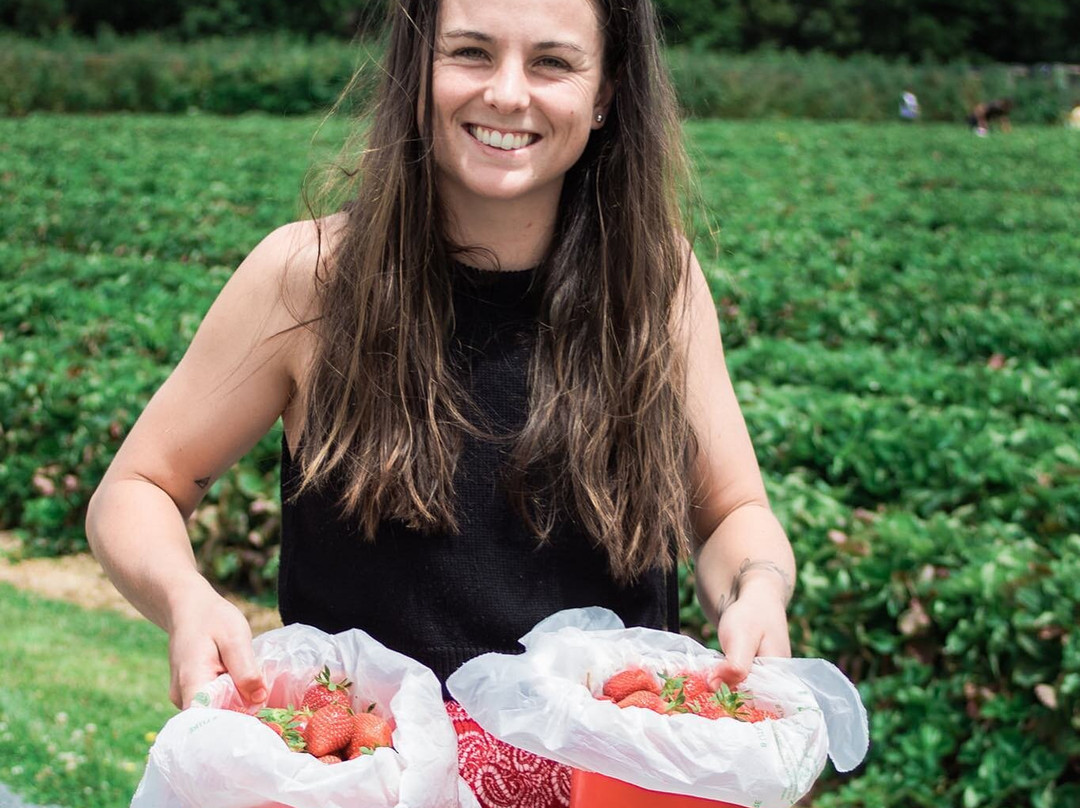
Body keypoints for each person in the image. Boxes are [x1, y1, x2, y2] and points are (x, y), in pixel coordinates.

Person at [86, 0, 796, 804]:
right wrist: (187, 598)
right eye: (470, 52)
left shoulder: (657, 287)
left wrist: (760, 587)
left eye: (553, 63)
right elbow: (139, 487)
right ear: (417, 72)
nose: (507, 92)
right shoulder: (309, 279)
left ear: (608, 93)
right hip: (367, 774)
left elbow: (733, 511)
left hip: (608, 777)